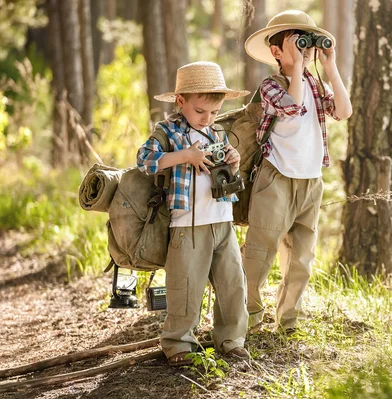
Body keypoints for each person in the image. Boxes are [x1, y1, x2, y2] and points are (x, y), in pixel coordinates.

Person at [243, 10, 353, 333]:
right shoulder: (271, 86)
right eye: (294, 44)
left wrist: (330, 68)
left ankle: (288, 320)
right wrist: (297, 69)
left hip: (310, 182)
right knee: (259, 254)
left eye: (304, 44)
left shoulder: (314, 85)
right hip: (276, 179)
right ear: (276, 52)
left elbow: (344, 110)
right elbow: (292, 105)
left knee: (301, 259)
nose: (302, 51)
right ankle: (247, 319)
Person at [137, 61, 251, 366]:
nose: (207, 118)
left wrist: (234, 159)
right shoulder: (167, 131)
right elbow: (144, 160)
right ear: (181, 101)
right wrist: (185, 155)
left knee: (232, 283)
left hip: (221, 218)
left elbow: (226, 168)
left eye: (214, 113)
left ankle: (231, 339)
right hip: (187, 222)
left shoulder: (217, 132)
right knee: (185, 284)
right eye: (200, 111)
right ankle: (178, 343)